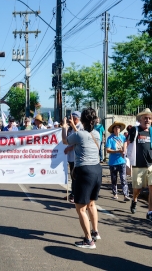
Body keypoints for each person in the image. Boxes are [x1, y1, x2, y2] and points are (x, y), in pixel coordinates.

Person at [62, 107, 102, 249]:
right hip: (97, 170)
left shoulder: (80, 135)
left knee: (80, 209)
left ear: (83, 120)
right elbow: (83, 137)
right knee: (92, 204)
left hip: (84, 171)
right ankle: (95, 232)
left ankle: (88, 240)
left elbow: (65, 140)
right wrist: (73, 125)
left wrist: (64, 127)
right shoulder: (97, 134)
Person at [127, 108, 152, 221]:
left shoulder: (151, 131)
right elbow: (127, 144)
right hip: (138, 165)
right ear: (140, 119)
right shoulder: (135, 130)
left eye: (149, 118)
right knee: (137, 189)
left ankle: (150, 211)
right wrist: (128, 162)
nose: (147, 120)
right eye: (145, 118)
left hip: (151, 165)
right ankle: (134, 200)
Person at [105, 121, 130, 201]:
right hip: (113, 162)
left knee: (123, 178)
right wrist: (117, 151)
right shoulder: (110, 138)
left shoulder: (123, 137)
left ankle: (126, 195)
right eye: (116, 127)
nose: (117, 129)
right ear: (113, 129)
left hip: (122, 161)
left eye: (119, 127)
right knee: (114, 179)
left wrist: (124, 148)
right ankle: (115, 193)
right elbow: (107, 150)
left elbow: (126, 143)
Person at [64, 111, 84, 202]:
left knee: (76, 177)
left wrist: (69, 148)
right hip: (71, 157)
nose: (71, 119)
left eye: (72, 118)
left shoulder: (80, 127)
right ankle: (72, 193)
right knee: (73, 176)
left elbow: (79, 141)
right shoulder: (71, 128)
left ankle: (75, 195)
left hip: (77, 156)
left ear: (76, 118)